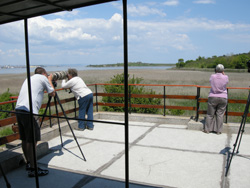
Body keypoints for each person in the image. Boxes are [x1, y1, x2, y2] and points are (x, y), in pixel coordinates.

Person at [15, 67, 55, 177]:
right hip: (29, 112)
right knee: (32, 140)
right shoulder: (43, 78)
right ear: (43, 73)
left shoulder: (29, 78)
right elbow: (52, 93)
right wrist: (50, 80)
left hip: (19, 109)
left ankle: (29, 162)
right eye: (46, 74)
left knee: (25, 139)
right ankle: (33, 168)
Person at [204, 64, 229, 134]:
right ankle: (219, 130)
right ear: (223, 70)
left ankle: (207, 129)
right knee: (220, 115)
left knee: (210, 114)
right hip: (223, 97)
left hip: (213, 96)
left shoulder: (212, 76)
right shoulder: (225, 77)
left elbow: (211, 81)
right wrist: (223, 74)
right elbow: (226, 82)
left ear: (216, 70)